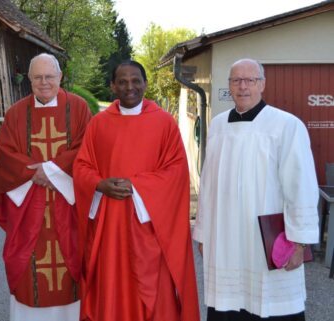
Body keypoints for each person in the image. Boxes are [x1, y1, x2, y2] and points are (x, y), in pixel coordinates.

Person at [73, 60, 200, 321]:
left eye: (135, 81)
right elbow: (82, 165)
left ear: (145, 84)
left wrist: (138, 185)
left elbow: (176, 171)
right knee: (112, 283)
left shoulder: (164, 123)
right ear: (112, 86)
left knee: (153, 286)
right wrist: (99, 184)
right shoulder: (98, 124)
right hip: (111, 225)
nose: (129, 87)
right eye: (122, 81)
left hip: (150, 227)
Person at [194, 58, 319, 321]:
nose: (243, 86)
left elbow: (302, 186)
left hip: (268, 240)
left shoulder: (286, 125)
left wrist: (299, 241)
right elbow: (207, 184)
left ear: (262, 84)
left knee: (269, 304)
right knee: (228, 304)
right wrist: (204, 232)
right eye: (236, 80)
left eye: (250, 80)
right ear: (229, 86)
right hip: (225, 239)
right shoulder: (217, 126)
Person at [0, 53, 92, 320]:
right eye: (37, 77)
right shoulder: (15, 114)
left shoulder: (80, 109)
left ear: (60, 77)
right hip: (28, 210)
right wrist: (35, 173)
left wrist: (51, 169)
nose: (44, 82)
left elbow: (88, 149)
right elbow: (4, 155)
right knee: (27, 271)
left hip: (68, 208)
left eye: (49, 76)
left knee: (73, 268)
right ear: (29, 80)